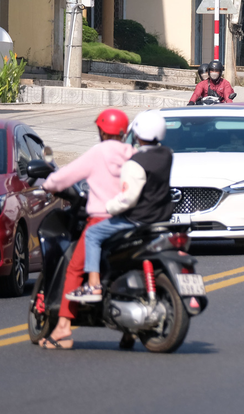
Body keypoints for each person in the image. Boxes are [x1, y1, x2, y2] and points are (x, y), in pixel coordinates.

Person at [38, 109, 136, 349]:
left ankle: (63, 328)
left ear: (102, 131)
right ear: (123, 132)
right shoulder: (132, 153)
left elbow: (65, 177)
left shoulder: (98, 152)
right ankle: (129, 330)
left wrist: (48, 185)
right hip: (130, 223)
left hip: (101, 221)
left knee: (74, 268)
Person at [67, 111, 175, 303]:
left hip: (136, 220)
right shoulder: (167, 155)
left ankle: (93, 284)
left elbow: (129, 198)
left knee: (92, 234)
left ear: (137, 133)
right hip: (162, 218)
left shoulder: (135, 163)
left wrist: (109, 207)